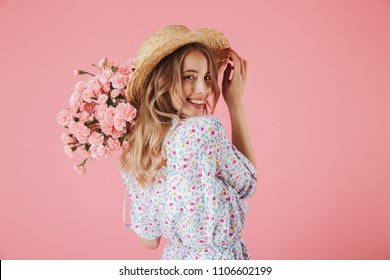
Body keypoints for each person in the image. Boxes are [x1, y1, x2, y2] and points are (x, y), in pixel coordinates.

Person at [120, 25, 257, 260]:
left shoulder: (138, 148)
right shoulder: (205, 131)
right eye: (189, 77)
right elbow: (248, 183)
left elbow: (149, 241)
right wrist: (235, 104)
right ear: (163, 80)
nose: (202, 89)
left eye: (206, 77)